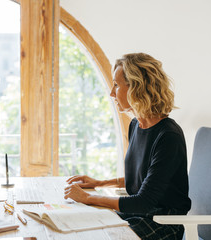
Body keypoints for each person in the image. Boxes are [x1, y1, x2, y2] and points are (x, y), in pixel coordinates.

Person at [64, 53, 191, 240]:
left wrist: (88, 198)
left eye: (116, 85)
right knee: (80, 225)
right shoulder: (136, 126)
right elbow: (145, 179)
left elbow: (143, 201)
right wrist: (99, 183)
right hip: (139, 215)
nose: (112, 93)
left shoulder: (168, 136)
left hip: (163, 224)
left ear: (137, 88)